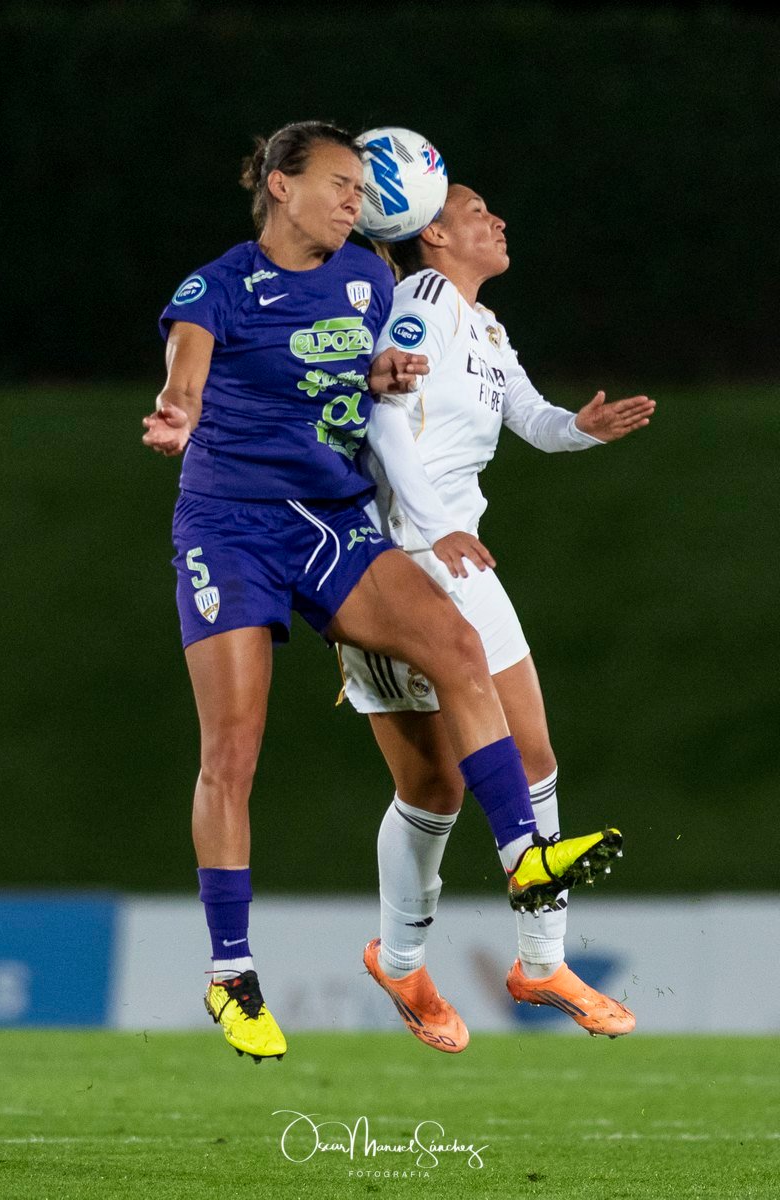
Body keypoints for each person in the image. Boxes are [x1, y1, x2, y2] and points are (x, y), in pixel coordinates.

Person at [142, 121, 625, 1063]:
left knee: (455, 645)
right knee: (232, 753)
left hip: (330, 519)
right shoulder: (218, 285)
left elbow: (361, 384)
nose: (354, 201)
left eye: (362, 189)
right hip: (232, 528)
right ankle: (232, 974)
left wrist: (381, 372)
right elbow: (188, 368)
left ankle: (526, 862)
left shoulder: (369, 276)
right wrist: (176, 410)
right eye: (338, 183)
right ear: (281, 185)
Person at [341, 182, 655, 1048]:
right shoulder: (421, 301)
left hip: (461, 555)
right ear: (434, 233)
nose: (499, 220)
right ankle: (401, 962)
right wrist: (430, 526)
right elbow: (383, 418)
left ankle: (542, 963)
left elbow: (532, 419)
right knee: (431, 789)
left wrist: (582, 428)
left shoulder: (482, 324)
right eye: (478, 212)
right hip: (402, 557)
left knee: (535, 754)